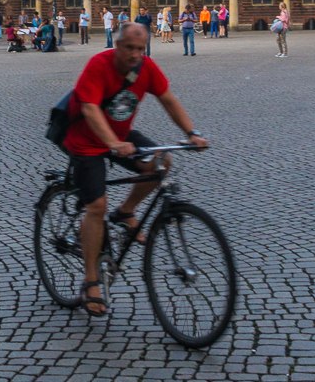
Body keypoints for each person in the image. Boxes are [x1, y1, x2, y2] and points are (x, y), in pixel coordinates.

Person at [62, 23, 209, 317]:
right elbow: (90, 109)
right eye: (129, 48)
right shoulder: (98, 65)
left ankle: (127, 210)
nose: (135, 54)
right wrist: (113, 143)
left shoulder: (146, 68)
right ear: (117, 45)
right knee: (96, 206)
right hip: (85, 140)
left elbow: (168, 99)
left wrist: (191, 132)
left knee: (161, 163)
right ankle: (91, 281)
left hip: (120, 135)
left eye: (140, 49)